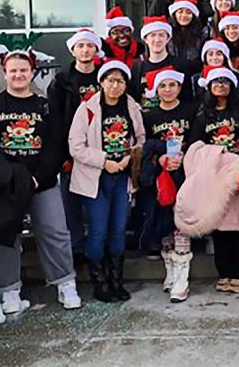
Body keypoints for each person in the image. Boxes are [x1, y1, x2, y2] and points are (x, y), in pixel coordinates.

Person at [0, 49, 82, 313]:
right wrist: (11, 178)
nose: (19, 74)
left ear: (32, 72)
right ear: (5, 73)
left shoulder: (46, 107)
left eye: (23, 70)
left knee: (55, 231)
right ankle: (10, 288)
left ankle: (65, 283)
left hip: (41, 182)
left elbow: (56, 147)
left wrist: (37, 178)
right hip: (6, 184)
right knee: (6, 235)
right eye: (13, 70)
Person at [68, 59, 146, 302]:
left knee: (118, 231)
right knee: (98, 231)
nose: (115, 86)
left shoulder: (131, 107)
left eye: (120, 81)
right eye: (110, 81)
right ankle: (99, 283)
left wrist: (128, 158)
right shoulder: (88, 109)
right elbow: (76, 146)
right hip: (96, 179)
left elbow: (140, 138)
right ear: (101, 82)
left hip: (122, 178)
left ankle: (116, 281)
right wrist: (104, 161)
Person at [187, 66, 239, 292]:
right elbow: (196, 145)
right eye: (216, 82)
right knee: (220, 226)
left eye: (226, 81)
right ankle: (224, 272)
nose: (221, 85)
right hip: (214, 176)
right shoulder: (202, 116)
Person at [137, 66, 197, 303]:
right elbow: (145, 148)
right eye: (163, 85)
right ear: (156, 89)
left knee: (181, 224)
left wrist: (185, 156)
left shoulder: (191, 110)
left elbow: (198, 139)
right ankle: (171, 271)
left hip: (185, 175)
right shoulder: (149, 116)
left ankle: (183, 278)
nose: (168, 89)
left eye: (172, 85)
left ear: (180, 87)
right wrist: (159, 157)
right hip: (160, 179)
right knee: (164, 224)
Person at [48, 28, 104, 266]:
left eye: (89, 46)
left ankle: (97, 246)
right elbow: (55, 119)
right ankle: (76, 247)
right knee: (71, 201)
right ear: (73, 50)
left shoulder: (105, 77)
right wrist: (62, 154)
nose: (85, 50)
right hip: (71, 148)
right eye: (80, 46)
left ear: (96, 49)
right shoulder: (61, 82)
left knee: (99, 198)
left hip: (100, 146)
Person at [129, 16, 193, 109]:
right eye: (153, 35)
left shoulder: (180, 65)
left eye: (161, 35)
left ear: (168, 39)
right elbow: (133, 99)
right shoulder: (137, 67)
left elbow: (187, 100)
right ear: (145, 39)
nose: (157, 40)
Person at [168, 0, 205, 66]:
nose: (184, 15)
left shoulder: (202, 34)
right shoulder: (167, 33)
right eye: (180, 12)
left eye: (188, 12)